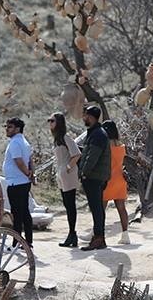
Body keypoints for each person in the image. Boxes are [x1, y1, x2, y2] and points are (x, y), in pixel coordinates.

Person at [79, 105, 111, 251]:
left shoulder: (97, 134)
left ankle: (98, 238)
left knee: (97, 209)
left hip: (94, 177)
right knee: (98, 209)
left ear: (91, 117)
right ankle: (99, 238)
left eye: (86, 115)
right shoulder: (95, 132)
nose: (84, 118)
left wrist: (84, 172)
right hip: (96, 177)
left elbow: (92, 157)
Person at [48, 113, 81, 247]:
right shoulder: (57, 139)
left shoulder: (65, 138)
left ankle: (72, 234)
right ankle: (72, 234)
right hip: (61, 174)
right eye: (49, 121)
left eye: (52, 121)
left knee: (70, 204)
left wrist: (68, 167)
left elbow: (77, 154)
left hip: (67, 174)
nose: (50, 123)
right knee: (67, 205)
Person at [3, 117, 35, 248]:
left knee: (17, 214)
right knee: (24, 212)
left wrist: (28, 173)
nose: (7, 129)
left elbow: (19, 161)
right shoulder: (24, 141)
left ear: (17, 129)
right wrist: (31, 174)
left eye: (9, 127)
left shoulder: (16, 142)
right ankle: (28, 241)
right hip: (22, 182)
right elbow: (30, 160)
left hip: (17, 183)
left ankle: (17, 243)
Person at [102, 120, 130, 245]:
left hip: (107, 180)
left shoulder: (105, 147)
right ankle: (125, 235)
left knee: (101, 209)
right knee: (121, 209)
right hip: (120, 179)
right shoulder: (121, 147)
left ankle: (97, 232)